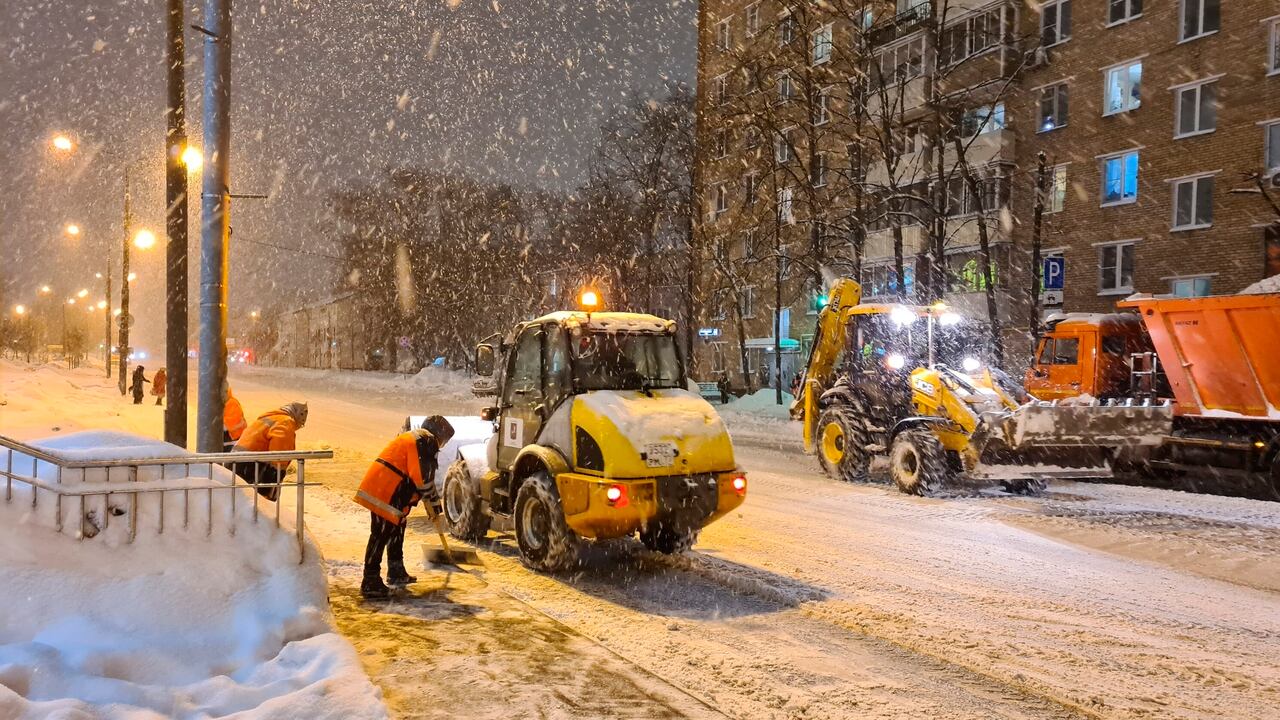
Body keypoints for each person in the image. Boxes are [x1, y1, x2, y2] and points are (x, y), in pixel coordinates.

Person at [355, 415, 456, 599]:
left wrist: (433, 505)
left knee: (397, 528)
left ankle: (396, 570)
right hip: (386, 489)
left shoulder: (418, 438)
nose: (441, 446)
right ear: (439, 434)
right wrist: (432, 504)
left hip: (387, 487)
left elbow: (423, 477)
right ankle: (370, 581)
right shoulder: (426, 441)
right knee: (381, 534)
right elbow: (423, 479)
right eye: (444, 441)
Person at [231, 401, 307, 501]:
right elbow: (279, 457)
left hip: (236, 462)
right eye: (300, 425)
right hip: (250, 467)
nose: (298, 427)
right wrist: (271, 487)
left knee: (237, 500)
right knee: (256, 504)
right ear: (298, 415)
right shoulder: (286, 422)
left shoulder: (271, 417)